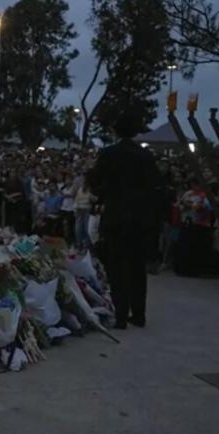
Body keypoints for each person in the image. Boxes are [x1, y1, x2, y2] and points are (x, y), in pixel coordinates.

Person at [88, 114, 162, 329]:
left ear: (116, 132)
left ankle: (121, 315)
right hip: (140, 219)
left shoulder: (110, 153)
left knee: (117, 267)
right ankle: (139, 314)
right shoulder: (146, 155)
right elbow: (155, 185)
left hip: (117, 218)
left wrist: (102, 194)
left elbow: (95, 180)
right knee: (137, 267)